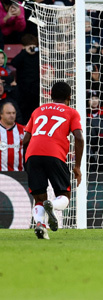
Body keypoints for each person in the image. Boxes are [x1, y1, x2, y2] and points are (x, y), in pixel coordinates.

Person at [20, 81, 84, 240]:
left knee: (39, 197)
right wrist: (77, 166)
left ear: (50, 95)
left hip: (33, 154)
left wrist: (27, 160)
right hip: (55, 154)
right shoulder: (71, 112)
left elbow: (26, 139)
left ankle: (40, 225)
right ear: (69, 97)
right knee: (64, 195)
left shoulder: (38, 110)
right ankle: (53, 205)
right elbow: (79, 137)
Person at [0, 101, 25, 171]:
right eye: (8, 113)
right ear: (1, 114)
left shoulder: (23, 130)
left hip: (19, 174)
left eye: (13, 113)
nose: (12, 115)